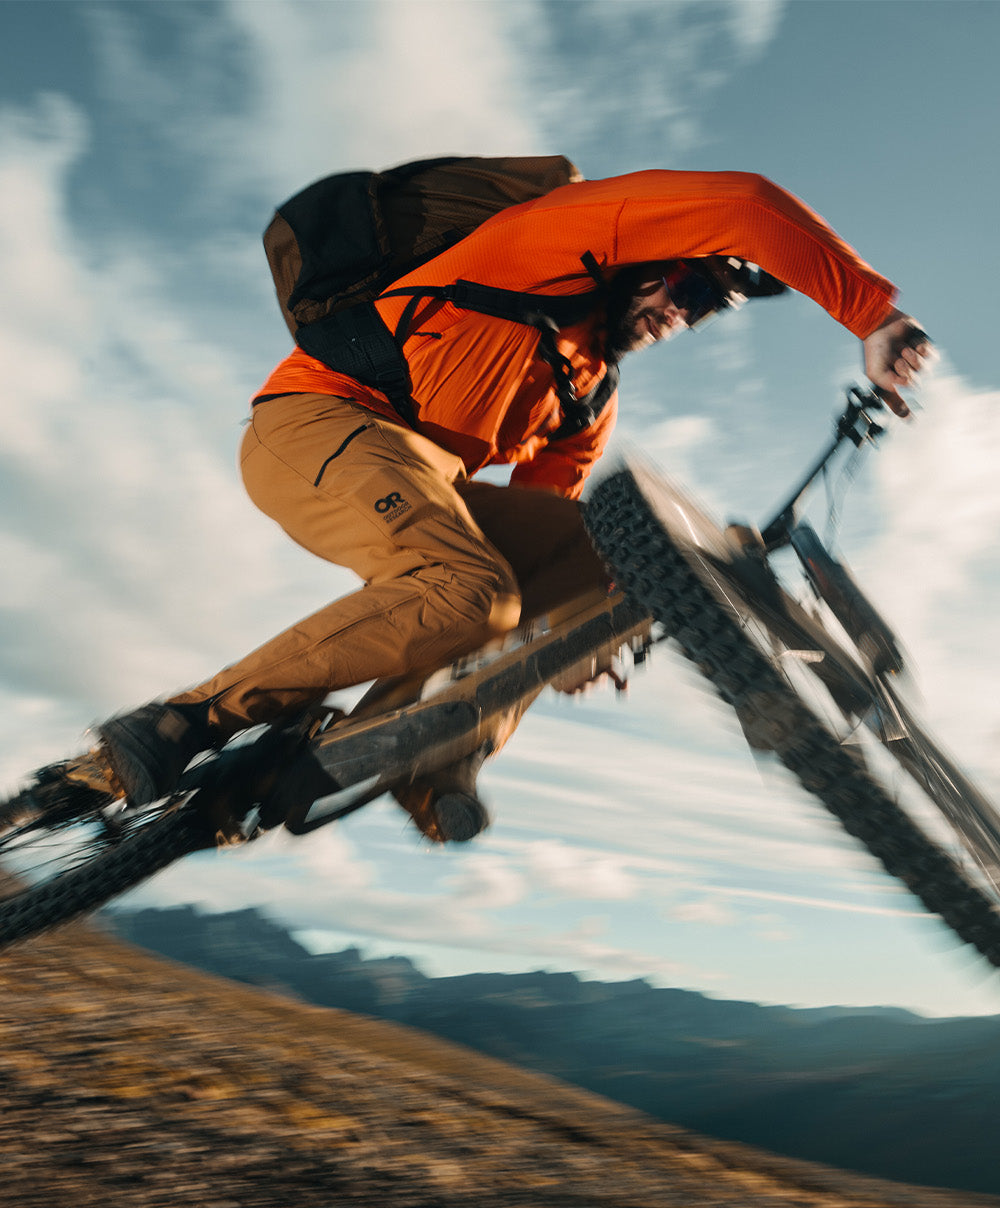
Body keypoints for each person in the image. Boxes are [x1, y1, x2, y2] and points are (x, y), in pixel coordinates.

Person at [97, 167, 931, 840]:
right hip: (319, 420)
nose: (681, 314)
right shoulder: (550, 244)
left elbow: (541, 572)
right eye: (683, 284)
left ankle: (428, 755)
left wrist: (579, 639)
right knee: (472, 592)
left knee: (602, 560)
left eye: (706, 306)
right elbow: (746, 204)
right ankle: (187, 720)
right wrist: (872, 314)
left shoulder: (588, 397)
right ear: (646, 256)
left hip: (419, 477)